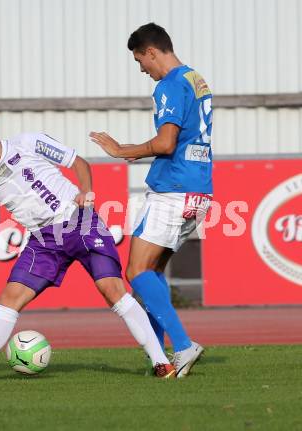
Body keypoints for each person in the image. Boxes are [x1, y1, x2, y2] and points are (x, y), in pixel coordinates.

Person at [0, 110, 176, 382]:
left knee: (112, 291)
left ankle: (161, 363)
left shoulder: (29, 143)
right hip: (44, 240)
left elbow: (79, 163)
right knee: (8, 299)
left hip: (80, 221)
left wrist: (86, 192)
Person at [90, 23, 213, 378]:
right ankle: (161, 359)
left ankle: (184, 345)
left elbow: (166, 143)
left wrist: (122, 150)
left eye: (140, 61)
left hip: (173, 188)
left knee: (135, 271)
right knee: (153, 271)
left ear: (152, 51)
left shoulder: (170, 84)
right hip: (198, 189)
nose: (143, 70)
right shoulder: (197, 79)